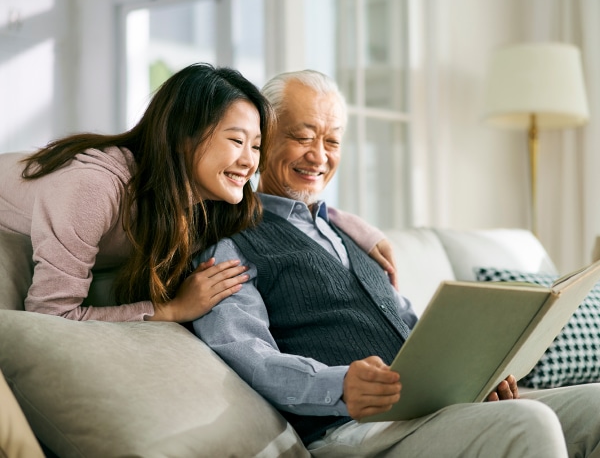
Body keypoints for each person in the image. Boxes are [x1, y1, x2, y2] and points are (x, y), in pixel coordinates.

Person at [193, 69, 600, 457]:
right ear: (263, 140)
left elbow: (409, 325)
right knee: (525, 422)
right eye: (302, 137)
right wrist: (338, 384)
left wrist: (479, 373)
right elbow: (247, 353)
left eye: (332, 142)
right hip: (349, 429)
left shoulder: (350, 233)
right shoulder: (231, 241)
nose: (318, 156)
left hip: (426, 412)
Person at [0, 63, 388, 323]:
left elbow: (283, 206)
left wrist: (352, 229)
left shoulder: (211, 205)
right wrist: (168, 310)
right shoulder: (94, 189)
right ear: (183, 139)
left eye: (256, 146)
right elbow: (50, 317)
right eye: (236, 140)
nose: (250, 161)